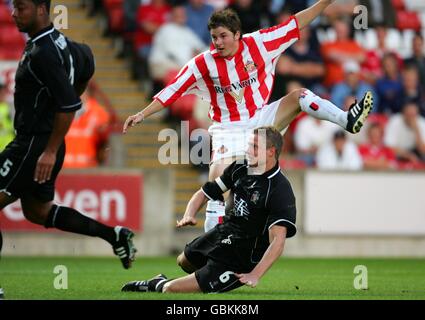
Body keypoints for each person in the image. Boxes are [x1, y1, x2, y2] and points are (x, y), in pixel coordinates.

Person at [123, 1, 373, 233]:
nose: (217, 43)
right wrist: (142, 114)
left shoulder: (260, 43)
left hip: (261, 118)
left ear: (237, 35)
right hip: (227, 128)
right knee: (217, 187)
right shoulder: (203, 63)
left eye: (223, 36)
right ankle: (213, 253)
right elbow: (172, 90)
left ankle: (347, 120)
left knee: (300, 96)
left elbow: (297, 22)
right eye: (213, 37)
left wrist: (325, 3)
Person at [0, 0, 137, 283]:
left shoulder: (43, 53)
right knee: (38, 212)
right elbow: (88, 60)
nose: (13, 13)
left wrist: (48, 150)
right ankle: (114, 235)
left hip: (33, 146)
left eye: (21, 7)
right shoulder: (66, 45)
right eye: (13, 7)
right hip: (46, 145)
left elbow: (68, 104)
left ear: (41, 9)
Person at [122, 126, 297, 293]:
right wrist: (189, 214)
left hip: (242, 254)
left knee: (170, 290)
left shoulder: (280, 189)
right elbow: (204, 192)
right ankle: (208, 279)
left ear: (271, 151)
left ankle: (159, 284)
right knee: (184, 261)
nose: (248, 150)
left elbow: (278, 241)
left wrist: (255, 275)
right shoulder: (240, 168)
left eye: (255, 147)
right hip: (224, 233)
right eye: (249, 145)